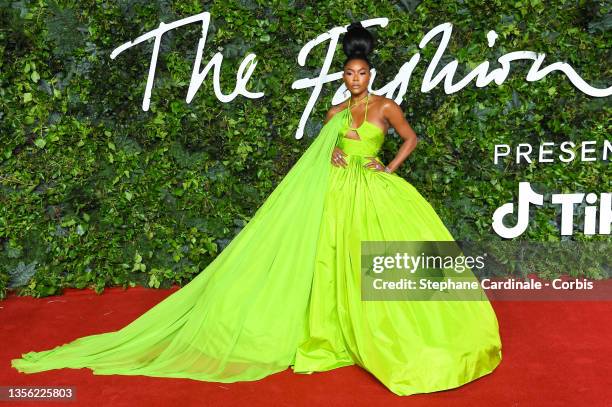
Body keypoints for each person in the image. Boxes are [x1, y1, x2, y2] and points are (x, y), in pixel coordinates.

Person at [11, 22, 502, 396]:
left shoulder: (386, 105)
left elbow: (412, 138)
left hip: (374, 193)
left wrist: (388, 168)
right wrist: (334, 151)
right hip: (334, 194)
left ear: (371, 74)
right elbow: (320, 154)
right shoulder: (333, 112)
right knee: (332, 263)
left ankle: (390, 333)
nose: (355, 79)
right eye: (349, 73)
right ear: (343, 75)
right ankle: (335, 330)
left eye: (361, 74)